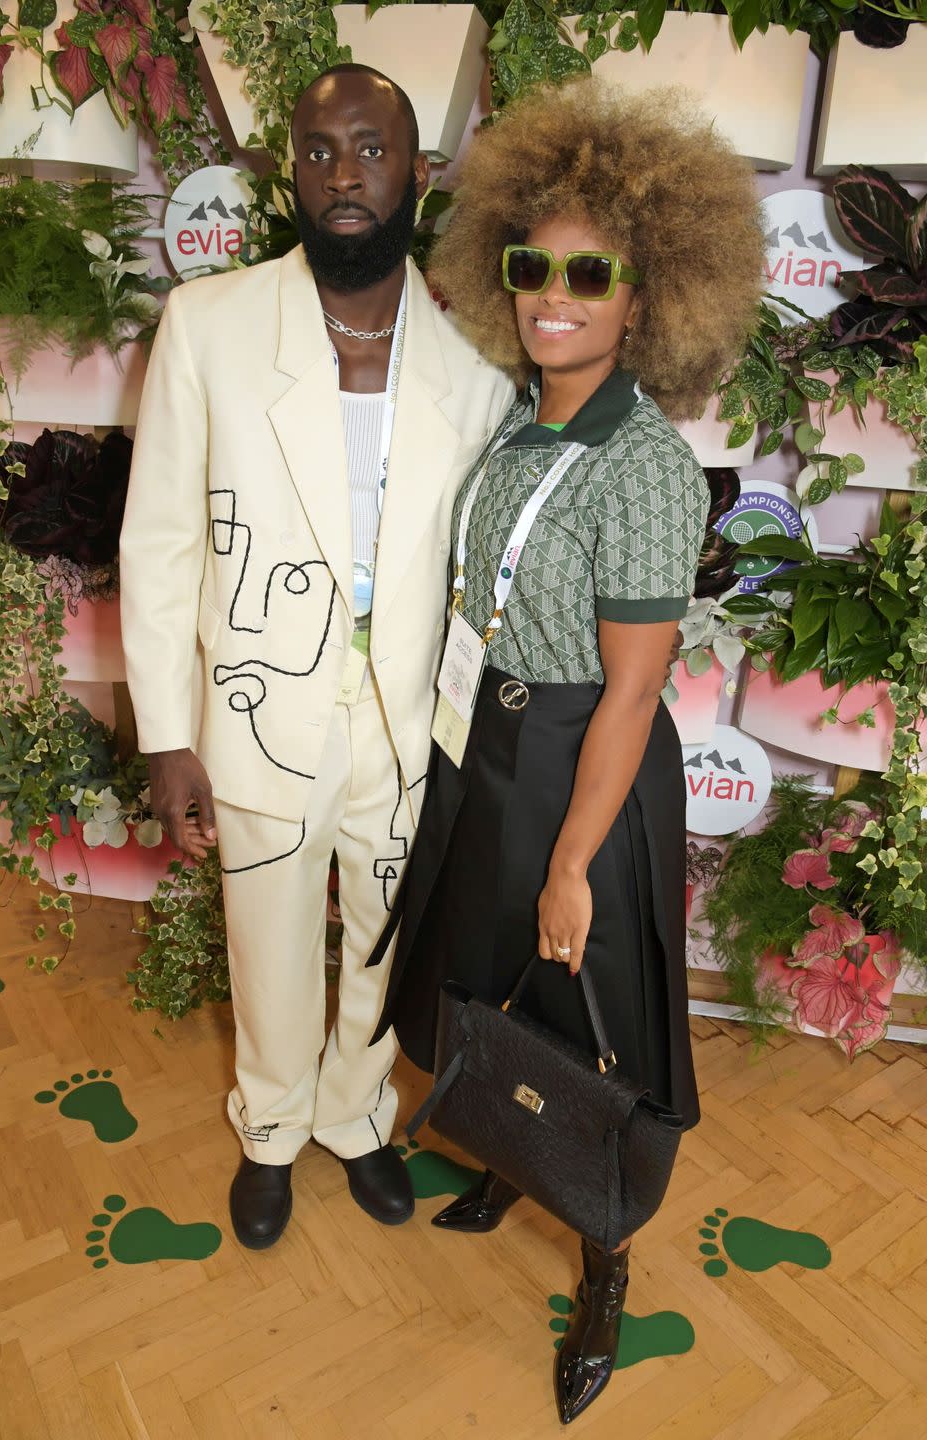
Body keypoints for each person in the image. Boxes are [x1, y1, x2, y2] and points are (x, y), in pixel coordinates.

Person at [369, 79, 763, 1423]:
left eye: (588, 272)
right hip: (491, 742)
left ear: (646, 295)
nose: (551, 294)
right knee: (488, 977)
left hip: (582, 771)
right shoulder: (529, 418)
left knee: (594, 1021)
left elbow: (634, 695)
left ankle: (603, 1255)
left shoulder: (643, 465)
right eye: (531, 263)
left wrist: (578, 860)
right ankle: (499, 1152)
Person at [119, 65, 514, 1249]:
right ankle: (273, 1127)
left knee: (384, 944)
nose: (346, 176)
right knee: (271, 940)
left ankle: (356, 1118)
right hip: (252, 717)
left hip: (402, 727)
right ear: (289, 170)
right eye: (321, 151)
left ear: (419, 172)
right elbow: (161, 538)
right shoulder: (211, 326)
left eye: (373, 150)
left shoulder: (477, 373)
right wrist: (166, 733)